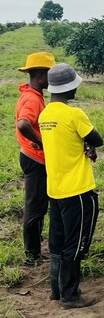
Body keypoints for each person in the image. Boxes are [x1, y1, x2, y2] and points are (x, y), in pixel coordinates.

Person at [39, 63, 103, 309]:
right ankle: (70, 295)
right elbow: (96, 138)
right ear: (70, 88)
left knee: (57, 241)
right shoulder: (74, 114)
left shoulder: (45, 115)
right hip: (78, 190)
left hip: (54, 189)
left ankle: (55, 289)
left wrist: (83, 146)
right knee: (76, 243)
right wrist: (90, 146)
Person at [15, 50, 55, 265]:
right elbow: (23, 124)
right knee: (34, 208)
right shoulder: (32, 99)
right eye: (50, 73)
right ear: (41, 75)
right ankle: (32, 255)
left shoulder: (33, 95)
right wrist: (42, 142)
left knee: (38, 206)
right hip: (35, 159)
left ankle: (35, 250)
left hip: (33, 157)